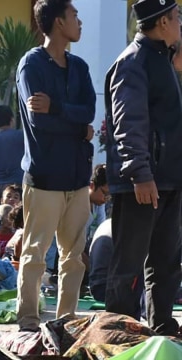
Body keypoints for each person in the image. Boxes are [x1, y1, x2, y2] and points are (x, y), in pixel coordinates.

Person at [15, 0, 95, 332]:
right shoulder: (31, 65)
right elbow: (39, 123)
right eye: (74, 15)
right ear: (59, 22)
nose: (80, 21)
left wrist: (60, 109)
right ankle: (28, 322)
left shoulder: (79, 67)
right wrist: (77, 126)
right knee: (35, 255)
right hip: (45, 177)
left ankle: (66, 322)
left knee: (74, 257)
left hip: (78, 179)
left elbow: (89, 112)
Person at [104, 0, 182, 336]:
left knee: (165, 264)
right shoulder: (133, 62)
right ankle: (117, 332)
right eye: (178, 16)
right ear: (163, 21)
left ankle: (161, 327)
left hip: (169, 180)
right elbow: (128, 122)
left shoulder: (165, 61)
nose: (181, 22)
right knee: (129, 266)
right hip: (143, 182)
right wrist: (140, 172)